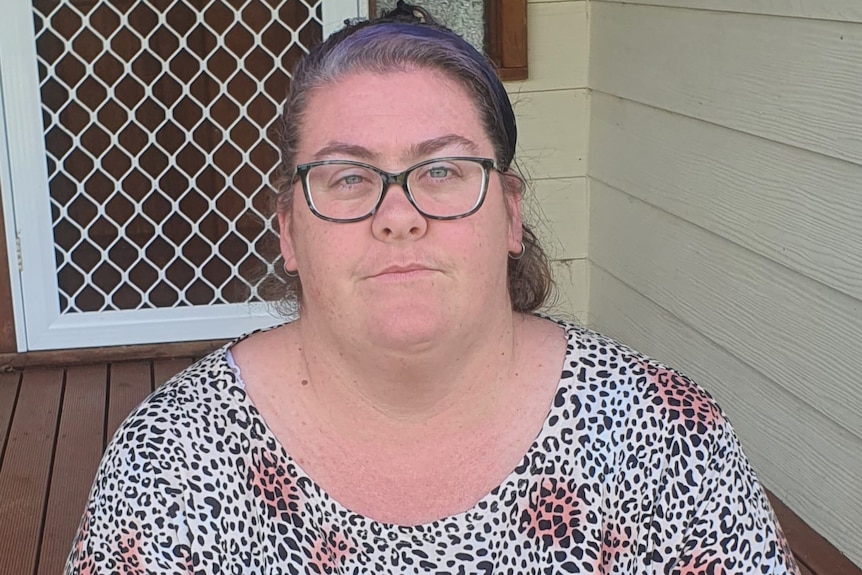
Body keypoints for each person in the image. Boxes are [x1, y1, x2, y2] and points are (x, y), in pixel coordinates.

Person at [66, 3, 800, 573]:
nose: (398, 215)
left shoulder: (666, 441)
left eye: (443, 170)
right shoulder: (175, 461)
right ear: (289, 229)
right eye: (348, 177)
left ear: (510, 213)